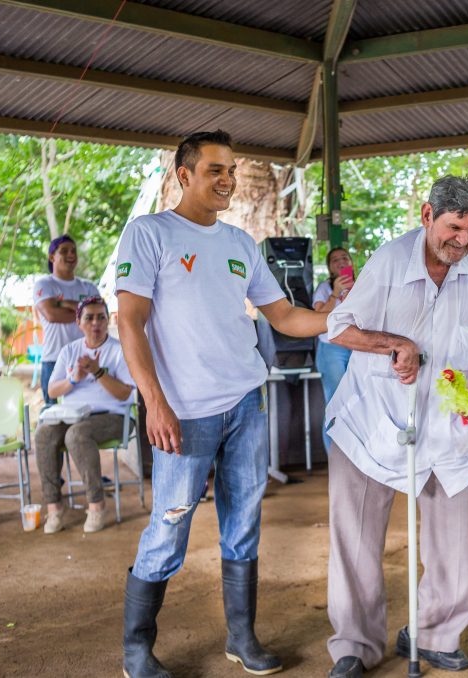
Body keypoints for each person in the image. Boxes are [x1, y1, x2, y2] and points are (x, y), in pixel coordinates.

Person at [115, 129, 329, 678]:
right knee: (169, 527)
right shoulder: (149, 234)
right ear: (183, 175)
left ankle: (242, 638)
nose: (228, 180)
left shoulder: (239, 244)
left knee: (244, 523)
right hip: (183, 413)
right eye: (215, 170)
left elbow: (285, 318)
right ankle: (137, 650)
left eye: (231, 170)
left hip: (246, 403)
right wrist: (154, 402)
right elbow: (130, 322)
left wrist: (346, 316)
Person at [323, 176, 468, 678]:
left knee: (454, 543)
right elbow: (339, 327)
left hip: (447, 428)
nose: (464, 240)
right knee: (356, 538)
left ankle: (436, 633)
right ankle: (355, 644)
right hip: (371, 422)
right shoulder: (390, 262)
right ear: (427, 215)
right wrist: (394, 342)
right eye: (455, 228)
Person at [34, 296, 134, 534]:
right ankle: (55, 507)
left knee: (77, 436)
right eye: (89, 318)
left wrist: (98, 371)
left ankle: (97, 505)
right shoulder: (70, 350)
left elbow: (124, 394)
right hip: (72, 416)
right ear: (78, 322)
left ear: (108, 320)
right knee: (43, 435)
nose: (95, 323)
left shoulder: (119, 350)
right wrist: (73, 379)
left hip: (114, 416)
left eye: (101, 317)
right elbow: (51, 389)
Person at [33, 235, 99, 406]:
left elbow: (98, 317)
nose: (70, 254)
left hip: (85, 358)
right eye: (64, 251)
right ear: (52, 257)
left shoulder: (88, 287)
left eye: (73, 251)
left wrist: (64, 303)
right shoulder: (44, 285)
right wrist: (84, 312)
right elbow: (52, 316)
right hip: (53, 358)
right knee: (52, 412)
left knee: (85, 408)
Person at [312, 247, 355, 451]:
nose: (340, 262)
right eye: (335, 260)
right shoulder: (324, 288)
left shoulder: (362, 285)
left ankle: (356, 457)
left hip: (357, 347)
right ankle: (334, 456)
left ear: (351, 263)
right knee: (336, 401)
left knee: (357, 401)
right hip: (332, 348)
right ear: (329, 267)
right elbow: (317, 316)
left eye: (344, 258)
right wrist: (335, 295)